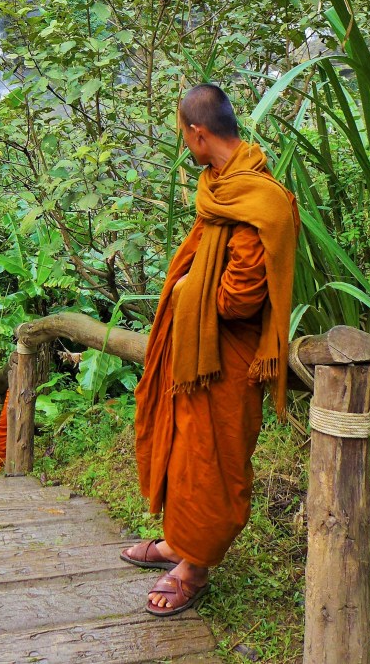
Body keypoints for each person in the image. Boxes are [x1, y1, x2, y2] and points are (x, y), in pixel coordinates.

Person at [121, 84, 299, 616]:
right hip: (197, 356)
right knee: (185, 453)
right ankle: (180, 541)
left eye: (184, 134)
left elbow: (239, 300)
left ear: (200, 133)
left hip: (228, 361)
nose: (185, 143)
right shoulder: (219, 186)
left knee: (212, 464)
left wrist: (184, 291)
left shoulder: (261, 201)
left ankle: (195, 566)